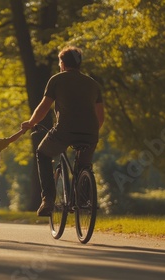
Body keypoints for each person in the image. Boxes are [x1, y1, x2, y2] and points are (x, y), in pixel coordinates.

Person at [21, 46, 105, 216]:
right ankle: (83, 199)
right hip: (90, 133)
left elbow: (43, 108)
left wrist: (31, 123)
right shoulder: (94, 84)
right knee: (84, 165)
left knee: (43, 153)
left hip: (64, 131)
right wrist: (90, 132)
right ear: (79, 64)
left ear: (62, 63)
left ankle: (48, 200)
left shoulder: (57, 79)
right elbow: (100, 117)